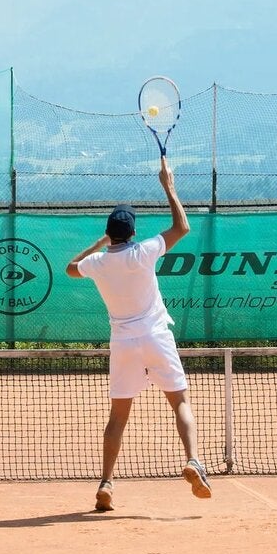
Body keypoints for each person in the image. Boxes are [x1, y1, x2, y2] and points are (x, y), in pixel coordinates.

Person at [66, 155, 211, 511]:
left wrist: (99, 245)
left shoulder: (98, 263)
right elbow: (183, 227)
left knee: (117, 417)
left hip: (123, 344)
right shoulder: (144, 252)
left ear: (110, 233)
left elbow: (70, 269)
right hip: (157, 337)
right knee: (180, 401)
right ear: (132, 232)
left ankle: (106, 483)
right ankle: (192, 459)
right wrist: (169, 186)